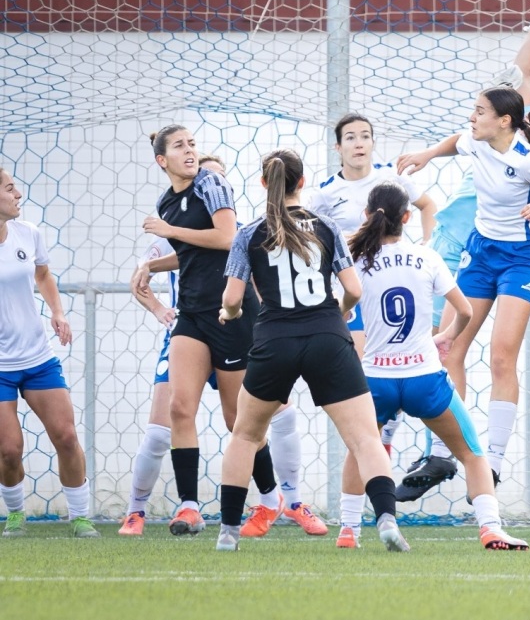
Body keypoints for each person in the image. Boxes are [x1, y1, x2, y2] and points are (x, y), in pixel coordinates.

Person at [397, 1, 530, 492]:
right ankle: (445, 453)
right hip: (473, 246)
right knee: (446, 348)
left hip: (518, 257)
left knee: (501, 356)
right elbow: (518, 77)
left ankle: (495, 460)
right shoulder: (487, 136)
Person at [119, 156, 325, 537]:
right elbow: (162, 265)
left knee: (245, 421)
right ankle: (174, 508)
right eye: (205, 178)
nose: (213, 187)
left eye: (220, 181)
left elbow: (231, 251)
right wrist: (158, 301)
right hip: (191, 321)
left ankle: (280, 499)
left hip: (232, 324)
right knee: (172, 415)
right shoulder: (174, 219)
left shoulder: (239, 230)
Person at [214, 150, 408, 552]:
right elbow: (352, 288)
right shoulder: (327, 227)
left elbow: (233, 298)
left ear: (265, 184)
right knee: (366, 439)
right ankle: (387, 522)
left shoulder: (249, 233)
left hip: (274, 340)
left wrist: (228, 313)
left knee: (246, 436)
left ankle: (228, 532)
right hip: (327, 337)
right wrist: (340, 313)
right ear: (302, 183)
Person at [340, 181, 528, 550]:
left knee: (361, 450)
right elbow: (466, 311)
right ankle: (490, 527)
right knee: (473, 454)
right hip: (424, 379)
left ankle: (349, 531)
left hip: (375, 378)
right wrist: (443, 338)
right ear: (407, 217)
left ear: (367, 216)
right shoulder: (427, 257)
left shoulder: (356, 261)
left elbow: (340, 310)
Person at [131, 125, 279, 536]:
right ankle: (190, 506)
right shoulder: (167, 201)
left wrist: (171, 232)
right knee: (180, 408)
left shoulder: (211, 184)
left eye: (192, 144)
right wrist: (150, 267)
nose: (190, 151)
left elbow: (228, 238)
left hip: (229, 313)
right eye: (180, 146)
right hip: (192, 314)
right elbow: (191, 253)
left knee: (239, 421)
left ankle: (270, 498)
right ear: (163, 160)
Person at [305, 112, 438, 455]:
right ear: (338, 147)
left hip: (395, 287)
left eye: (365, 136)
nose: (359, 143)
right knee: (366, 372)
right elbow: (314, 240)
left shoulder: (391, 178)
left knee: (403, 364)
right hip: (354, 292)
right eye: (350, 137)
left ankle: (386, 435)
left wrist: (424, 244)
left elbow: (427, 206)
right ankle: (372, 446)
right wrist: (345, 243)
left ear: (373, 143)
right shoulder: (324, 193)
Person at [0, 166, 99, 538]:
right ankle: (14, 515)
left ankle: (81, 517)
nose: (18, 194)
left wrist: (57, 312)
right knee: (9, 450)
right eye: (10, 189)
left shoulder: (30, 234)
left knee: (67, 437)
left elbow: (42, 274)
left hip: (38, 359)